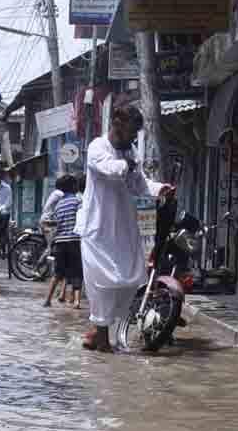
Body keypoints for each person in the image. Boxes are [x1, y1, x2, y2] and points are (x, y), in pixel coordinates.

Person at [79, 104, 172, 351]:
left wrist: (158, 188)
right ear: (118, 125)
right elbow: (110, 169)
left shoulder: (130, 153)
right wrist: (129, 164)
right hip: (98, 229)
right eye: (132, 132)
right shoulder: (98, 147)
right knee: (102, 283)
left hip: (123, 227)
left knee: (128, 280)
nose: (133, 138)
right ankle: (101, 337)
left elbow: (140, 185)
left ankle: (99, 333)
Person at [42, 174, 84, 308]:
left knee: (58, 272)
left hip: (60, 242)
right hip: (74, 241)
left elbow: (56, 224)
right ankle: (77, 301)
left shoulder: (59, 204)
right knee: (77, 271)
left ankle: (48, 299)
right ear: (73, 186)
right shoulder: (78, 202)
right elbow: (81, 221)